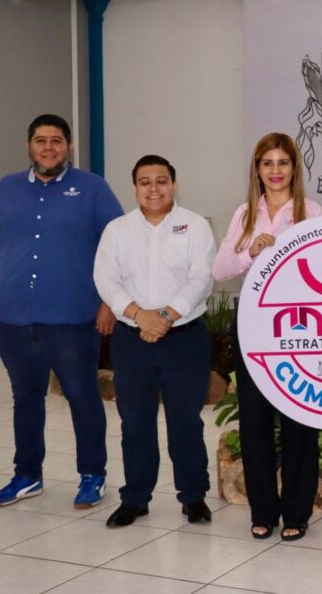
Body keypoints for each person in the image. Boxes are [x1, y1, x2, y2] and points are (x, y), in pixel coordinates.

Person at [0, 114, 123, 509]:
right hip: (14, 318)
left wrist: (109, 303)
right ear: (29, 146)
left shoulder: (93, 189)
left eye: (56, 140)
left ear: (69, 147)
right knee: (25, 398)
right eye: (40, 140)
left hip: (73, 319)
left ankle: (92, 475)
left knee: (82, 396)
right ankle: (27, 476)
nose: (48, 147)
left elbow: (117, 248)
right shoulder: (5, 188)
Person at [213, 133, 322, 541]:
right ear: (257, 169)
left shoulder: (312, 211)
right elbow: (219, 270)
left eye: (283, 162)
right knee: (255, 418)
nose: (275, 171)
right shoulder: (245, 214)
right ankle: (262, 511)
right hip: (255, 323)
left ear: (294, 168)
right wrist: (251, 253)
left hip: (301, 323)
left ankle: (297, 512)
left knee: (299, 418)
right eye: (267, 163)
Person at [93, 155, 216, 527]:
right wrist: (138, 315)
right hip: (132, 340)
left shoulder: (194, 226)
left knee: (186, 422)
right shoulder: (117, 230)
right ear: (134, 188)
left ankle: (193, 497)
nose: (154, 188)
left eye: (161, 181)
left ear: (174, 185)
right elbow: (106, 279)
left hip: (185, 340)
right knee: (135, 423)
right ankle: (135, 498)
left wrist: (164, 317)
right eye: (145, 182)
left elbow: (201, 278)